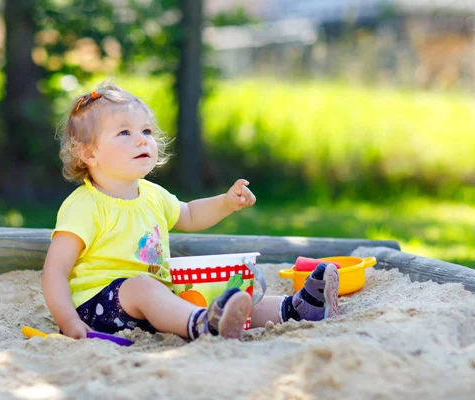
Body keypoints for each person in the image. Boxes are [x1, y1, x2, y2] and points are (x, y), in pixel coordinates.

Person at [41, 80, 339, 341]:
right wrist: (69, 321)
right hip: (101, 308)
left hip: (157, 301)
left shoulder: (153, 196)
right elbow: (55, 271)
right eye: (124, 133)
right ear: (89, 152)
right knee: (144, 287)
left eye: (146, 130)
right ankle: (202, 324)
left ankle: (296, 308)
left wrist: (225, 202)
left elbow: (191, 215)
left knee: (222, 291)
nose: (142, 139)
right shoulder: (84, 205)